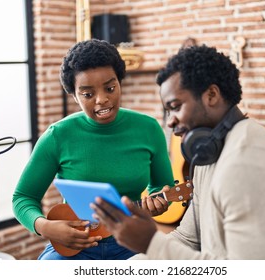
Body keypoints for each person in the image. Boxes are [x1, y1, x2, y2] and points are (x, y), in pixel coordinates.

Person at [91, 45, 265, 259]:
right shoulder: (207, 156)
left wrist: (150, 243)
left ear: (211, 95)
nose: (170, 122)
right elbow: (188, 238)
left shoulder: (248, 164)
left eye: (175, 107)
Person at [12, 39, 175, 260]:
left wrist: (158, 202)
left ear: (120, 81)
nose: (102, 100)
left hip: (132, 241)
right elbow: (23, 197)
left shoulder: (148, 128)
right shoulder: (58, 135)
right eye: (88, 94)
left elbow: (160, 186)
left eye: (110, 88)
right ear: (74, 96)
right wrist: (45, 227)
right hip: (74, 247)